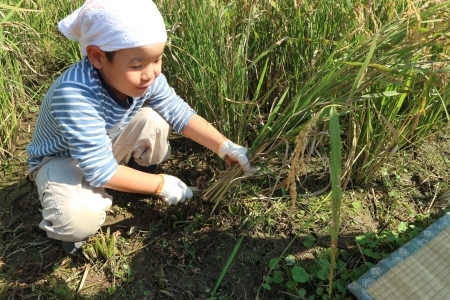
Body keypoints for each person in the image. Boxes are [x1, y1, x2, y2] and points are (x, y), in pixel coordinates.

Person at [26, 0, 255, 256]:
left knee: (153, 119)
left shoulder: (146, 78)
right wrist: (160, 184)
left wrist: (224, 146)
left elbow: (179, 113)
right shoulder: (75, 94)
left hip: (105, 142)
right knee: (76, 221)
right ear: (97, 57)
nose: (150, 73)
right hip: (62, 158)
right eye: (137, 65)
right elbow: (99, 170)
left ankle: (134, 176)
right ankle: (71, 208)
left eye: (157, 60)